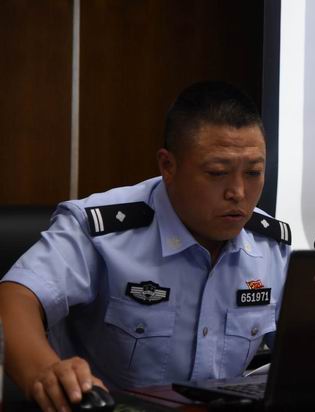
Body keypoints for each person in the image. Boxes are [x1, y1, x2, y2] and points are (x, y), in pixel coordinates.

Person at [0, 81, 291, 412]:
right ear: (168, 166)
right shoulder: (103, 232)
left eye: (253, 173)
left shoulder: (270, 246)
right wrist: (46, 372)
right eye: (217, 173)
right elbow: (15, 297)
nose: (237, 192)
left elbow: (307, 352)